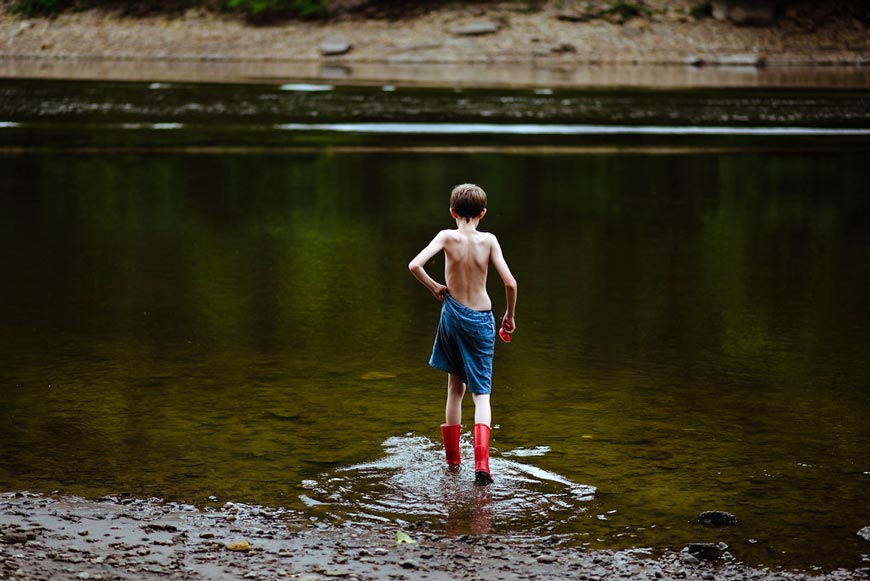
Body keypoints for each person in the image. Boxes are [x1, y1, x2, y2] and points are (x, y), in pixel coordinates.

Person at [408, 183, 517, 486]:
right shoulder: (489, 240)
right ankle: (482, 467)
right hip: (481, 318)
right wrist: (509, 315)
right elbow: (510, 284)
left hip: (452, 315)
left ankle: (453, 463)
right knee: (481, 393)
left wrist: (435, 288)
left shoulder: (446, 236)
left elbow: (415, 265)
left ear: (453, 212)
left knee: (455, 389)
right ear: (483, 213)